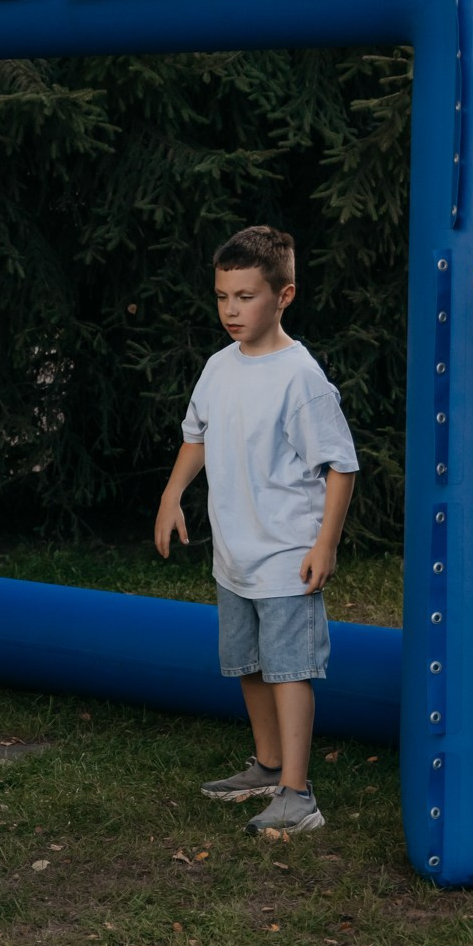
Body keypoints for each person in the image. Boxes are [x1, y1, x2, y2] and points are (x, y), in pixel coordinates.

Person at [155, 225, 358, 836]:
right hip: (234, 556)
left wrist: (324, 544)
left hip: (287, 556)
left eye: (245, 296)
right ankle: (268, 767)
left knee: (289, 670)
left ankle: (299, 795)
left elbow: (341, 465)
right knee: (248, 664)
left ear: (284, 296)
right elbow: (198, 434)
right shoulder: (219, 367)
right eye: (222, 296)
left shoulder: (301, 378)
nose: (231, 310)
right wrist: (171, 495)